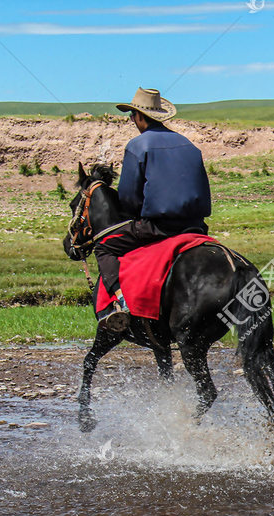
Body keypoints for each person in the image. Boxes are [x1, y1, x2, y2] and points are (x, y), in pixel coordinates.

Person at [93, 87, 212, 333]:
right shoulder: (189, 144)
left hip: (159, 227)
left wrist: (135, 212)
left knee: (104, 245)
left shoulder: (138, 145)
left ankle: (121, 303)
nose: (131, 121)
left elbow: (128, 197)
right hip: (197, 225)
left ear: (139, 116)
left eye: (132, 116)